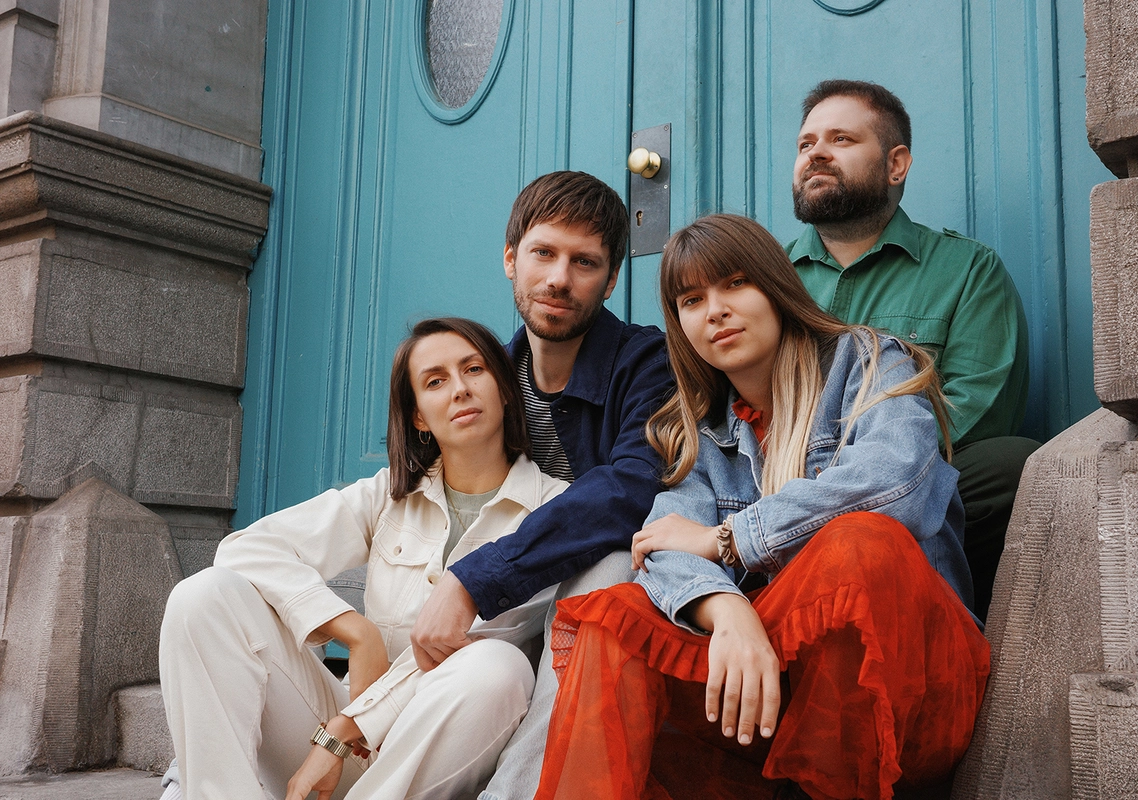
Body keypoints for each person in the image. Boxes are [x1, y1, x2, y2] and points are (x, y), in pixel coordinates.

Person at [534, 215, 991, 800]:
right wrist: (727, 609)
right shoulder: (700, 430)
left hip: (913, 680)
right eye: (692, 300)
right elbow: (663, 546)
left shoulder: (869, 362)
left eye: (735, 284)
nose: (715, 311)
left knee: (858, 543)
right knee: (616, 616)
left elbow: (895, 480)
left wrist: (729, 538)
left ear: (776, 287)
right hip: (773, 695)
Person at [159, 317, 569, 800]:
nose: (459, 389)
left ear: (504, 389)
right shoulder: (390, 494)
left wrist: (346, 727)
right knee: (203, 596)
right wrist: (354, 630)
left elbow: (477, 639)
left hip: (431, 750)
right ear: (419, 417)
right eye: (435, 381)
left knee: (499, 668)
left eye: (474, 369)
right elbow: (245, 548)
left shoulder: (555, 510)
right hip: (344, 738)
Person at [394, 171, 672, 800]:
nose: (559, 279)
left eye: (585, 262)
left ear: (611, 279)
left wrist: (475, 578)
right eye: (544, 253)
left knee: (607, 574)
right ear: (510, 259)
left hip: (590, 582)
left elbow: (632, 489)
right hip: (506, 585)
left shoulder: (646, 363)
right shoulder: (486, 374)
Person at [786, 79, 1040, 620]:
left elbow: (979, 408)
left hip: (908, 478)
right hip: (783, 479)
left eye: (841, 139)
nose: (816, 154)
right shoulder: (766, 281)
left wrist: (859, 476)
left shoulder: (968, 270)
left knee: (1010, 463)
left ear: (896, 164)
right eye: (806, 143)